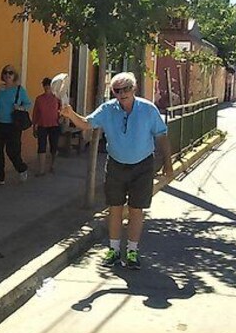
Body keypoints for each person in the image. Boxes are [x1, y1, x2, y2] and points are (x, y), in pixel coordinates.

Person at [60, 72, 173, 269]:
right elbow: (87, 123)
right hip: (116, 164)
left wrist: (168, 163)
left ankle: (132, 252)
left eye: (126, 89)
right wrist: (70, 115)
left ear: (134, 89)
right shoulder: (107, 109)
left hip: (143, 165)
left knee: (137, 210)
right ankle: (113, 250)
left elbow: (161, 135)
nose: (122, 94)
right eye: (117, 90)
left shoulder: (148, 109)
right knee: (115, 208)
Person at [0, 64, 31, 186]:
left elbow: (28, 104)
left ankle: (22, 168)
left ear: (14, 75)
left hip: (13, 125)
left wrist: (20, 107)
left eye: (10, 73)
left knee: (12, 151)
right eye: (5, 73)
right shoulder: (0, 89)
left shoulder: (19, 90)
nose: (7, 75)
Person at [32, 77, 62, 176]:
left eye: (48, 85)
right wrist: (34, 126)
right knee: (41, 146)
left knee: (54, 147)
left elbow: (61, 111)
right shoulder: (39, 99)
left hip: (54, 125)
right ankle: (41, 169)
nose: (46, 88)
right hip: (42, 125)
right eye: (45, 85)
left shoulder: (57, 98)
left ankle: (52, 165)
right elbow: (35, 113)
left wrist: (62, 119)